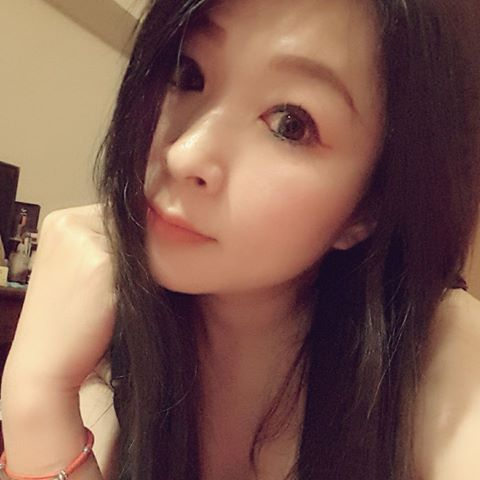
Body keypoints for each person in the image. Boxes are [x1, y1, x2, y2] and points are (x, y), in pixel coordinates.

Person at [1, 0, 480, 479]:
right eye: (187, 72)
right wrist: (38, 396)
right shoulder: (106, 346)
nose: (185, 154)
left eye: (290, 124)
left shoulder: (441, 362)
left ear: (368, 206)